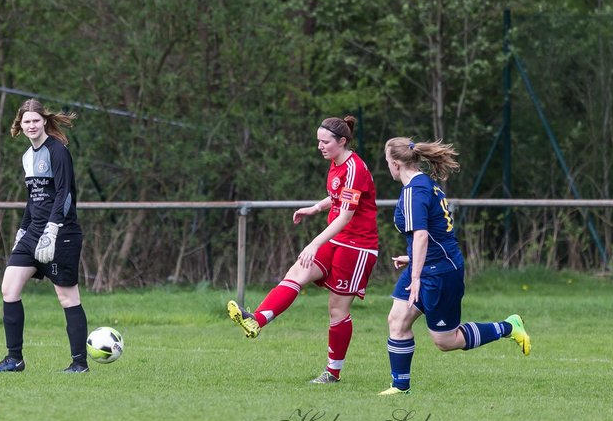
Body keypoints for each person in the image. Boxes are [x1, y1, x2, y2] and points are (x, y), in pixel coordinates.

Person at [227, 115, 379, 383]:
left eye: (325, 142)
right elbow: (337, 196)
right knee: (297, 272)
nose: (320, 146)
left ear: (342, 141)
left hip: (357, 246)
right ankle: (257, 320)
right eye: (318, 141)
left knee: (337, 310)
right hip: (335, 239)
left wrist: (313, 242)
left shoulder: (355, 168)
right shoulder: (336, 162)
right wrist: (316, 207)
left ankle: (332, 373)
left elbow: (345, 216)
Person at [380, 136, 531, 394]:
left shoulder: (415, 191)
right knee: (397, 319)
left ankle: (509, 327)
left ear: (395, 164)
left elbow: (421, 235)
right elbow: (436, 231)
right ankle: (400, 386)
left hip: (440, 273)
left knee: (446, 341)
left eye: (386, 162)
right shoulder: (425, 184)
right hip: (428, 264)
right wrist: (413, 260)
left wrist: (415, 276)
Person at [0, 98, 90, 374]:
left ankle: (79, 364)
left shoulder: (58, 151)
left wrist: (53, 229)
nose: (31, 125)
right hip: (33, 233)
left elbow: (64, 194)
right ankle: (14, 359)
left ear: (44, 120)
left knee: (67, 298)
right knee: (9, 289)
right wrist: (24, 228)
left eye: (35, 120)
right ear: (19, 125)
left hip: (61, 232)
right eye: (26, 121)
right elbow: (33, 199)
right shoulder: (27, 156)